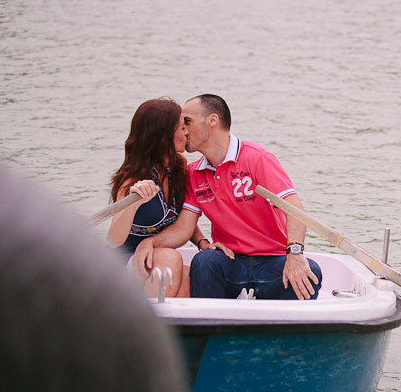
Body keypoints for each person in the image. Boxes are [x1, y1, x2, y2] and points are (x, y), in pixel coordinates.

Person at [131, 94, 322, 300]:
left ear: (212, 120)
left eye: (187, 121)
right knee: (204, 262)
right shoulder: (194, 173)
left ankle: (285, 326)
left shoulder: (257, 158)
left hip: (271, 261)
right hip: (231, 263)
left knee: (312, 272)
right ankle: (210, 327)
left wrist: (294, 254)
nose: (183, 129)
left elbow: (294, 209)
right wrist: (150, 243)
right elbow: (183, 228)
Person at [107, 98, 208, 297]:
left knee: (190, 276)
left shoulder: (178, 166)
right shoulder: (132, 180)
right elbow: (113, 240)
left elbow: (182, 217)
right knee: (170, 260)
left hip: (154, 255)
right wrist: (134, 202)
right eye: (181, 128)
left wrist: (202, 243)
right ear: (164, 138)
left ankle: (174, 327)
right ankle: (142, 323)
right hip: (125, 263)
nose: (186, 132)